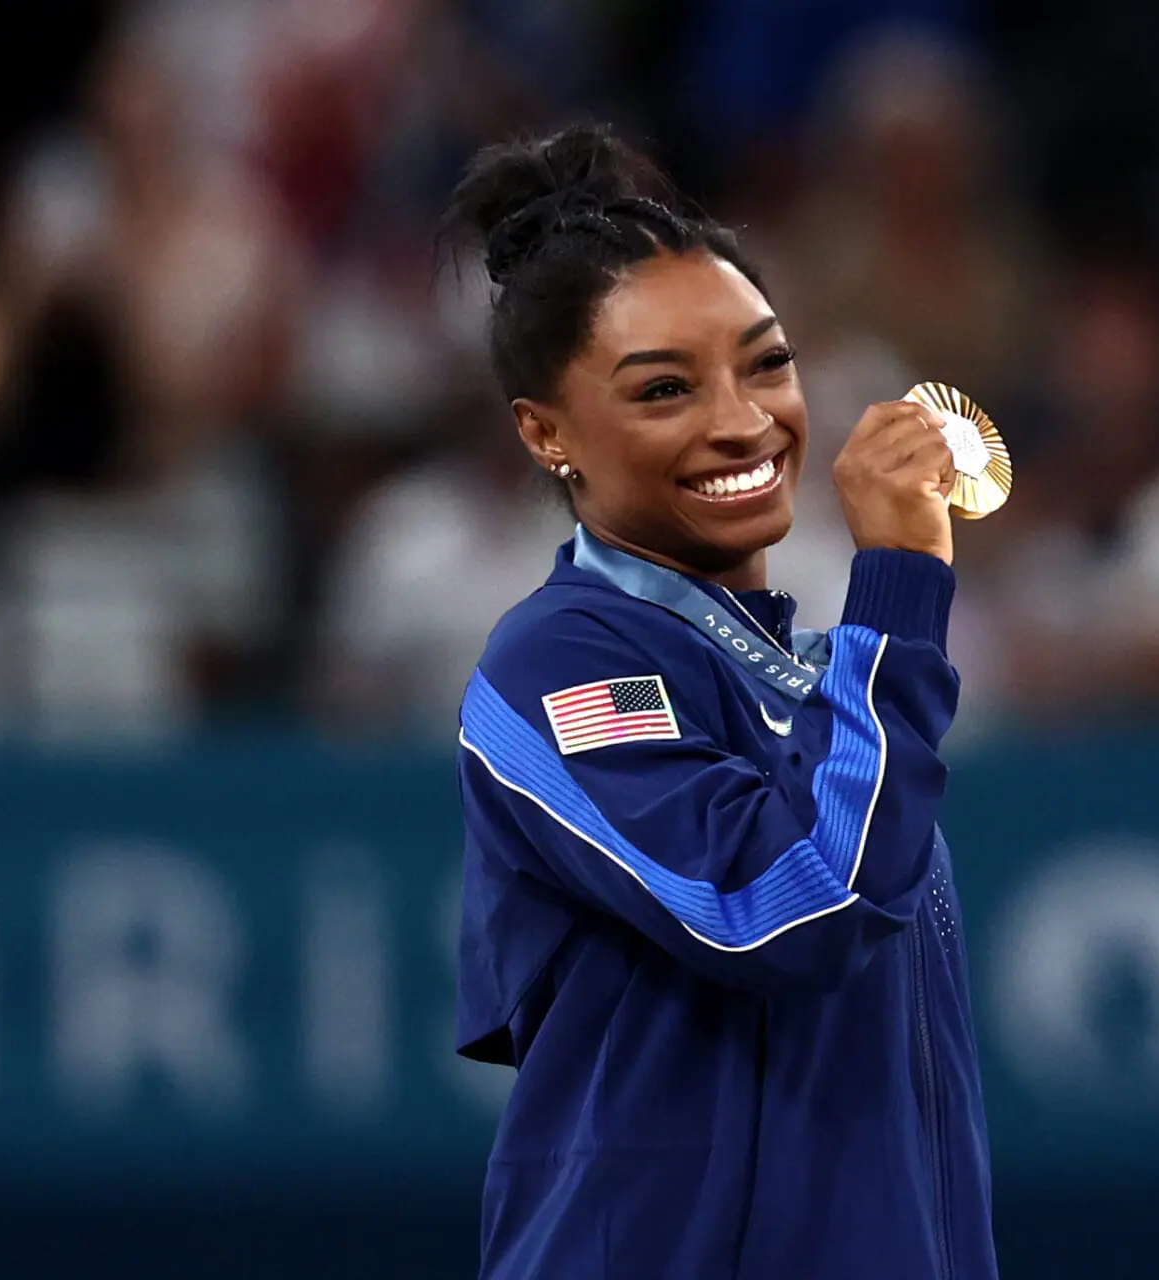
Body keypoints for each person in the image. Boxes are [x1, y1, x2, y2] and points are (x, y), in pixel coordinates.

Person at [444, 124, 998, 1279]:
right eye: (664, 389)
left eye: (767, 363)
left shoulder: (800, 679)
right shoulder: (558, 661)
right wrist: (897, 584)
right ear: (545, 432)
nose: (744, 420)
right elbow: (790, 903)